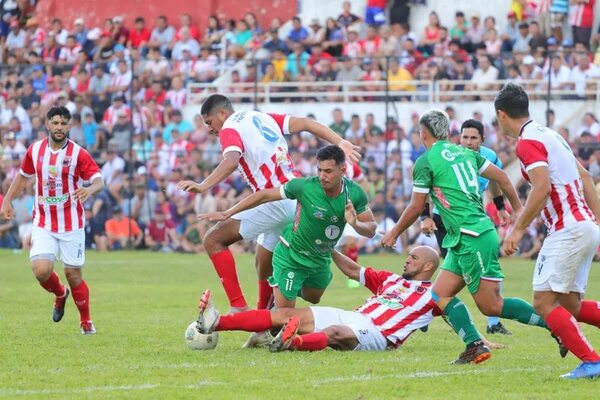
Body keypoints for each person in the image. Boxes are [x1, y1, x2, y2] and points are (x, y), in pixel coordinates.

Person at [381, 109, 557, 364]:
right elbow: (503, 177)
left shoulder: (426, 160)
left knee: (491, 306)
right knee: (439, 294)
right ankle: (474, 345)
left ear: (423, 134)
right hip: (463, 238)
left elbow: (417, 206)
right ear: (449, 133)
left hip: (472, 235)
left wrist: (394, 232)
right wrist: (517, 208)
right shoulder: (466, 153)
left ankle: (556, 325)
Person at [177, 94, 360, 317]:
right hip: (295, 199)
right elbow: (307, 124)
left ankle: (238, 307)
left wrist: (203, 185)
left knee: (213, 240)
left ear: (223, 114)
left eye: (209, 122)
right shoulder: (263, 117)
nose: (210, 129)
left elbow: (231, 160)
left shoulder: (229, 128)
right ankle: (264, 323)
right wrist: (339, 141)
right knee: (263, 262)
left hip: (274, 199)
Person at [495, 83, 600, 380]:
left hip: (568, 228)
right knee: (571, 305)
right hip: (583, 225)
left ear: (501, 115)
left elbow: (542, 188)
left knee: (542, 302)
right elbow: (586, 177)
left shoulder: (527, 142)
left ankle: (592, 361)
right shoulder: (551, 135)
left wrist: (517, 230)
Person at [200, 145, 376, 310]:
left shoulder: (355, 193)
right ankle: (278, 287)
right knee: (282, 319)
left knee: (313, 298)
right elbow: (264, 195)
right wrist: (228, 213)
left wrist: (355, 223)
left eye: (328, 171)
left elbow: (371, 229)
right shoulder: (304, 186)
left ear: (343, 170)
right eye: (320, 170)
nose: (322, 176)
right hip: (291, 252)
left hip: (320, 257)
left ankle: (286, 289)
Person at [196, 246, 441, 352]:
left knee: (336, 332)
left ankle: (292, 343)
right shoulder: (391, 279)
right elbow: (355, 272)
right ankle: (216, 322)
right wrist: (330, 248)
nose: (407, 260)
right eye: (409, 256)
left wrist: (475, 339)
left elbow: (458, 312)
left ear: (428, 266)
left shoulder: (435, 294)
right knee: (287, 314)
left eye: (414, 258)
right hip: (356, 316)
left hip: (380, 335)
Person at [0, 106, 104, 334]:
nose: (59, 127)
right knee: (41, 270)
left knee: (73, 274)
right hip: (44, 222)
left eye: (64, 123)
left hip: (72, 223)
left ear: (69, 126)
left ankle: (86, 321)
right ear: (47, 124)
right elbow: (22, 178)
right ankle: (60, 293)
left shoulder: (78, 153)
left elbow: (98, 180)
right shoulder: (35, 150)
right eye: (55, 123)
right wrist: (6, 201)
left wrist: (89, 190)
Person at [420, 119, 512, 336]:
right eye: (465, 137)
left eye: (473, 138)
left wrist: (500, 208)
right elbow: (425, 186)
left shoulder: (488, 157)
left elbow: (496, 181)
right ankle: (427, 315)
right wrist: (425, 217)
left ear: (482, 139)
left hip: (473, 223)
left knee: (481, 273)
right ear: (458, 138)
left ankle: (491, 323)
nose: (468, 142)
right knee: (451, 274)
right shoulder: (449, 156)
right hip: (445, 221)